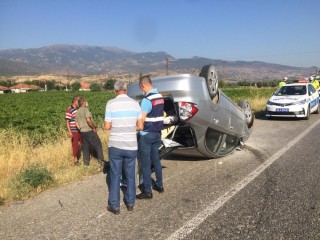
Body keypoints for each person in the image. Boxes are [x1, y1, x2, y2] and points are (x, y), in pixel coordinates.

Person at [104, 80, 143, 214]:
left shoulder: (110, 104)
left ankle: (114, 206)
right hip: (131, 145)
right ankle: (130, 203)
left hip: (115, 145)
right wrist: (131, 128)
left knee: (115, 175)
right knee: (131, 175)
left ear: (115, 91)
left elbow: (107, 126)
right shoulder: (135, 104)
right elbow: (140, 126)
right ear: (126, 90)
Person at [136, 75, 165, 200]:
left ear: (143, 85)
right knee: (156, 161)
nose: (141, 90)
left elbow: (141, 121)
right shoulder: (160, 97)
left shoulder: (146, 100)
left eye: (141, 88)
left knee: (146, 164)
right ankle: (159, 185)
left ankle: (147, 191)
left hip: (146, 135)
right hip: (157, 133)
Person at [75, 97, 105, 167]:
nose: (86, 103)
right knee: (98, 144)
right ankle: (101, 161)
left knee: (85, 147)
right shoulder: (85, 110)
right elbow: (88, 120)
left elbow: (76, 123)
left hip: (82, 131)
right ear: (84, 103)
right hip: (89, 130)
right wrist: (93, 127)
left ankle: (86, 163)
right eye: (85, 102)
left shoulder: (77, 111)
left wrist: (81, 129)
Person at [65, 96, 83, 165]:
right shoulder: (69, 109)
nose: (79, 102)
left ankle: (86, 156)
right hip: (74, 130)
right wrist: (70, 132)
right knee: (75, 145)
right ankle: (75, 160)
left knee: (83, 143)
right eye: (78, 101)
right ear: (75, 101)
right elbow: (67, 122)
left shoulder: (78, 109)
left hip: (80, 129)